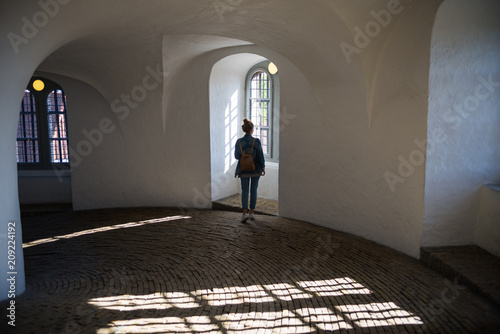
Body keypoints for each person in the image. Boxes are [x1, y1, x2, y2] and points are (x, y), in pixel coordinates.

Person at [234, 118, 265, 223]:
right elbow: (260, 156)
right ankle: (251, 212)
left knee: (245, 191)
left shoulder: (239, 142)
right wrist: (263, 166)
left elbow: (237, 156)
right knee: (253, 190)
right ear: (252, 130)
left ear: (244, 130)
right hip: (255, 169)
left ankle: (244, 213)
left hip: (243, 170)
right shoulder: (256, 142)